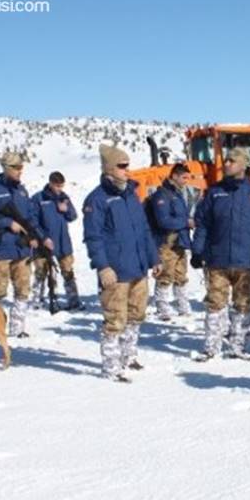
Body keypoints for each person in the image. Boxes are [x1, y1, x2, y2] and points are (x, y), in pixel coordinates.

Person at [190, 147, 250, 360]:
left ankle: (237, 346)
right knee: (214, 303)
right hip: (217, 260)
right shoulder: (214, 192)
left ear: (243, 164)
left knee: (243, 303)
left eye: (231, 160)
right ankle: (211, 347)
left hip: (246, 261)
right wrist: (197, 250)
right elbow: (203, 224)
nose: (226, 164)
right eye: (226, 160)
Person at [83, 144, 159, 381]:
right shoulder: (97, 200)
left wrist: (153, 258)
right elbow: (93, 237)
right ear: (109, 169)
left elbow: (144, 230)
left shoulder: (132, 195)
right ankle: (111, 367)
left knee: (136, 315)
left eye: (128, 165)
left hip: (138, 268)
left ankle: (129, 356)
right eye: (122, 166)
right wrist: (103, 266)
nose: (128, 170)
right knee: (115, 319)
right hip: (115, 272)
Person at [0, 151, 50, 338]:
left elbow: (31, 218)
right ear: (6, 168)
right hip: (0, 249)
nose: (20, 171)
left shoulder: (22, 191)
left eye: (21, 167)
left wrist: (41, 237)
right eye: (16, 168)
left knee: (23, 288)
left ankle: (17, 327)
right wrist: (8, 223)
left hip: (21, 248)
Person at [31, 171, 85, 312]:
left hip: (63, 242)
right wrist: (43, 238)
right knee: (41, 272)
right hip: (44, 243)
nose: (60, 189)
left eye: (62, 186)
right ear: (50, 183)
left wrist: (66, 210)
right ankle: (37, 300)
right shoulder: (38, 199)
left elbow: (73, 216)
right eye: (57, 186)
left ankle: (74, 300)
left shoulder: (63, 198)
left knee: (68, 270)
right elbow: (33, 222)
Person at [146, 164, 194, 321]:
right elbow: (164, 221)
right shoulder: (163, 195)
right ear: (174, 176)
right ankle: (162, 306)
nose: (187, 181)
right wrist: (186, 223)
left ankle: (183, 305)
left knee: (181, 274)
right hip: (167, 242)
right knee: (165, 275)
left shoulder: (178, 194)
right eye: (184, 177)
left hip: (179, 242)